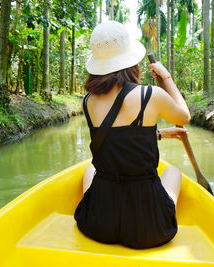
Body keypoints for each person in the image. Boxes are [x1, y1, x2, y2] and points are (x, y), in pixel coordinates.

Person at [74, 21, 191, 249]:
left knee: (90, 169)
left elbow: (114, 138)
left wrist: (158, 134)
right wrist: (166, 77)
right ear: (130, 62)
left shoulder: (87, 102)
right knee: (174, 172)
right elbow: (184, 116)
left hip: (97, 225)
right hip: (149, 228)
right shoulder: (150, 94)